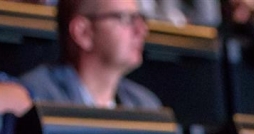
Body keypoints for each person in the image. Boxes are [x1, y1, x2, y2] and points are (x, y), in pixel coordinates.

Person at [21, 0, 160, 108]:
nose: (141, 31)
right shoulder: (35, 98)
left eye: (139, 19)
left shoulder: (145, 104)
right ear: (83, 32)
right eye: (125, 18)